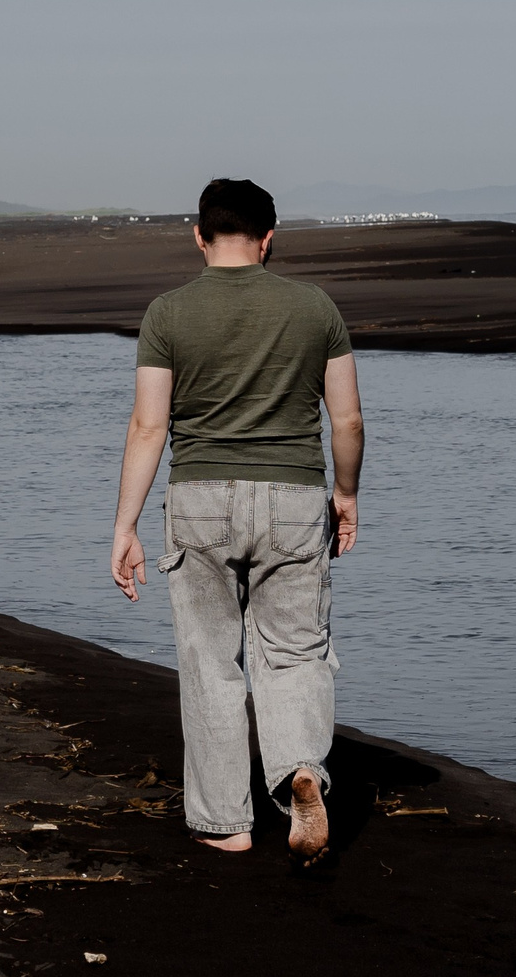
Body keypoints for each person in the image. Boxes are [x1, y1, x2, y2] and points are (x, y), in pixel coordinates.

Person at [110, 177, 364, 860]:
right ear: (269, 236)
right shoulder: (315, 307)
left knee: (209, 659)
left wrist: (125, 524)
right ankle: (300, 768)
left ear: (199, 234)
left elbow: (148, 424)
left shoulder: (167, 313)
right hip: (292, 496)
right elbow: (347, 418)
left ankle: (226, 820)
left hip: (199, 497)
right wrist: (346, 494)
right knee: (295, 649)